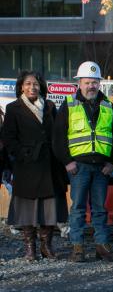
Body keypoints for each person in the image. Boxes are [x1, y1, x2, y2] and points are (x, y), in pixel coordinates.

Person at [53, 61, 113, 262]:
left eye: (94, 82)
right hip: (78, 167)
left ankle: (101, 246)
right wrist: (67, 162)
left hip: (101, 168)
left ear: (100, 83)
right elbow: (57, 137)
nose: (91, 86)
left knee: (100, 208)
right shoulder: (69, 104)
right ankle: (78, 247)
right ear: (79, 83)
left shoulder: (108, 105)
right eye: (87, 82)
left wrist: (112, 162)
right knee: (78, 208)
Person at [3, 71, 67, 260]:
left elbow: (56, 133)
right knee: (26, 210)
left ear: (41, 87)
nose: (33, 87)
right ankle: (30, 248)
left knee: (49, 208)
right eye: (28, 84)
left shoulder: (49, 106)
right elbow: (8, 137)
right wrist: (22, 154)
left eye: (36, 84)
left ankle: (46, 246)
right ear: (21, 87)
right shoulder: (13, 108)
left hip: (49, 164)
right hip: (27, 165)